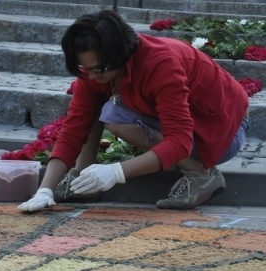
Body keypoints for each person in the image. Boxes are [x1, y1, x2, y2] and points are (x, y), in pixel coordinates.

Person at [18, 10, 250, 212]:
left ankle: (202, 176)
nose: (92, 76)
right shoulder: (94, 72)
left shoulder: (161, 64)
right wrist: (44, 190)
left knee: (114, 117)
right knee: (103, 109)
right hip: (185, 125)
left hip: (223, 130)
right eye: (85, 68)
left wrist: (116, 172)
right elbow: (73, 130)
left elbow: (180, 141)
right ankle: (82, 179)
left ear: (120, 56)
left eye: (98, 69)